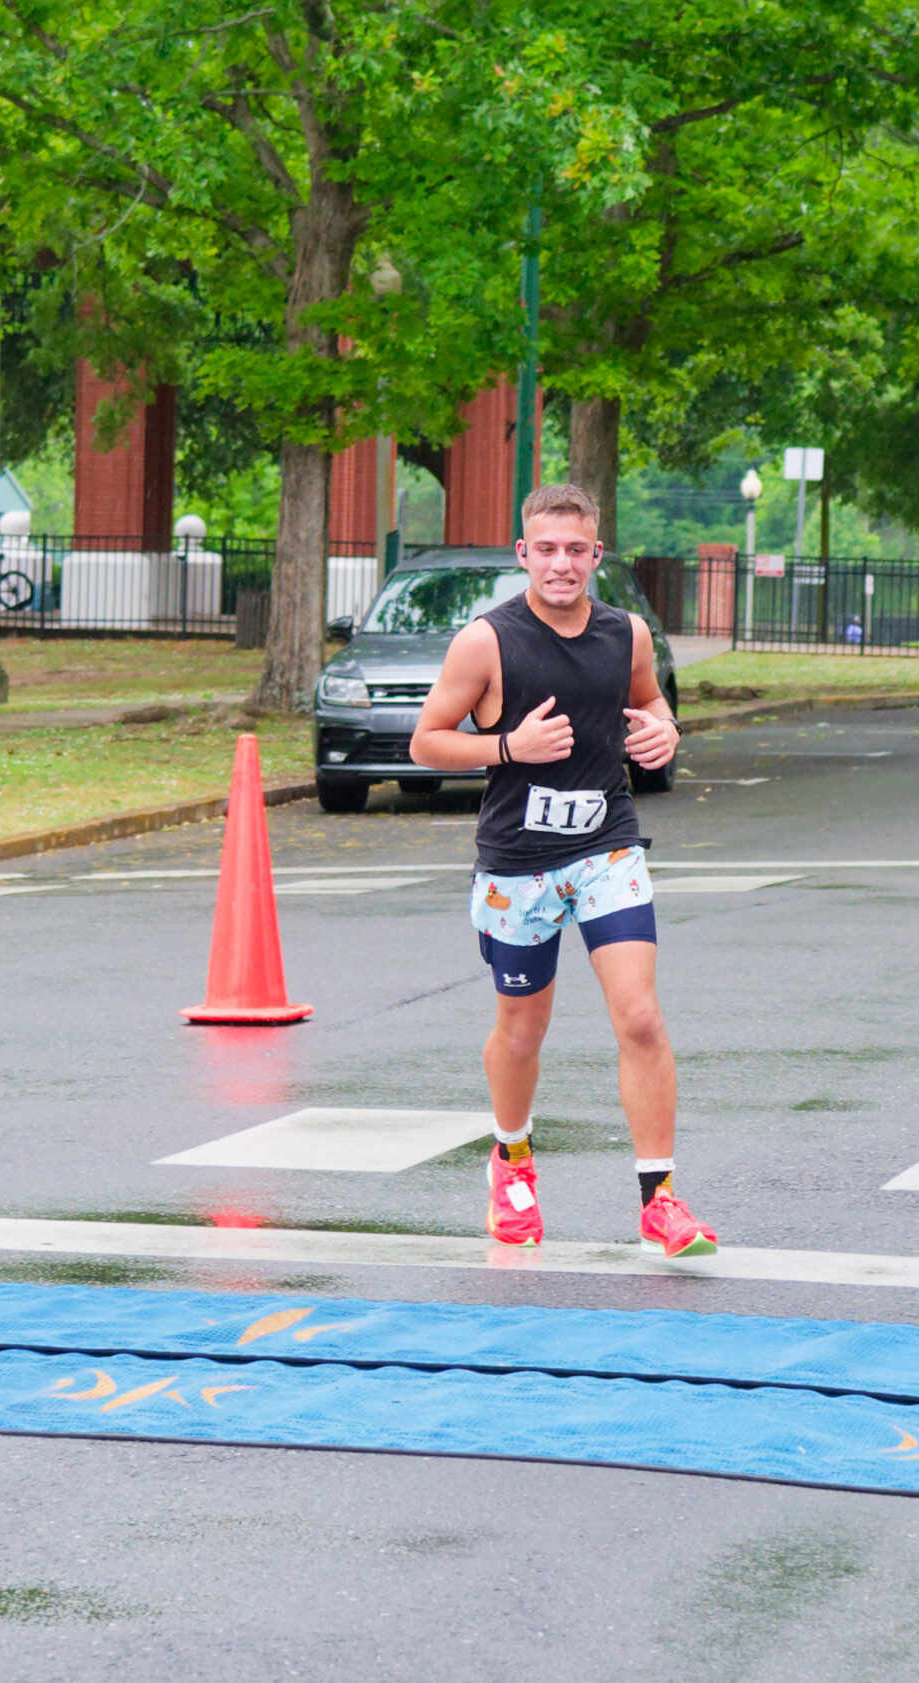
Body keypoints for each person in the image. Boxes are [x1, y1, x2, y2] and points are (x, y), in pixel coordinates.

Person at [409, 483, 717, 1257]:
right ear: (524, 554)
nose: (561, 564)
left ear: (596, 556)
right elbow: (427, 743)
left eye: (576, 550)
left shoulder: (629, 635)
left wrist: (663, 733)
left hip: (607, 845)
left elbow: (651, 707)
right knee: (523, 1028)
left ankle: (661, 1199)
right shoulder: (486, 641)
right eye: (546, 549)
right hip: (519, 863)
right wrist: (510, 747)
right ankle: (512, 1162)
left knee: (640, 1015)